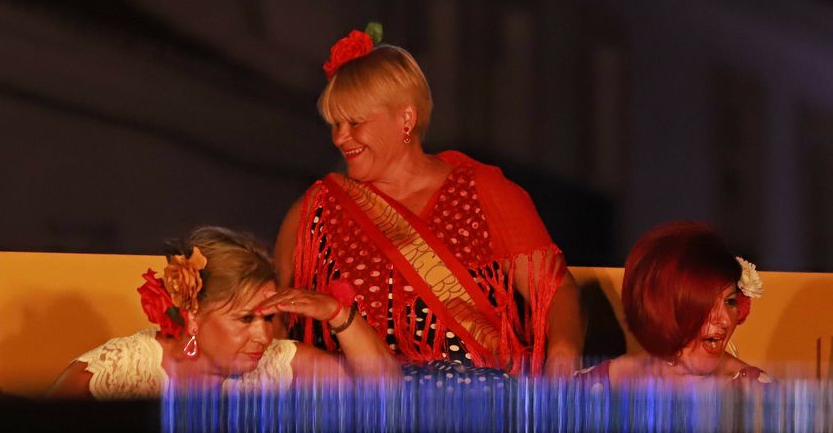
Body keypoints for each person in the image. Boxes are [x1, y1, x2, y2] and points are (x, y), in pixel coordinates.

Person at [275, 25, 583, 378]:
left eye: (355, 122)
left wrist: (563, 352)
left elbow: (555, 289)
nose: (340, 137)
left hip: (480, 403)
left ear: (406, 118)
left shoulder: (484, 191)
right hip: (360, 411)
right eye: (335, 124)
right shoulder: (317, 209)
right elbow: (272, 315)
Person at [50, 226, 394, 399]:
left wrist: (335, 313)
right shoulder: (113, 375)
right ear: (194, 314)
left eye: (268, 318)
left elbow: (388, 396)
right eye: (246, 319)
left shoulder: (278, 363)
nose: (263, 335)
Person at [591, 221, 771, 384]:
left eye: (730, 301)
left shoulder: (758, 398)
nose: (724, 320)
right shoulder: (587, 389)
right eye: (707, 304)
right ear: (660, 307)